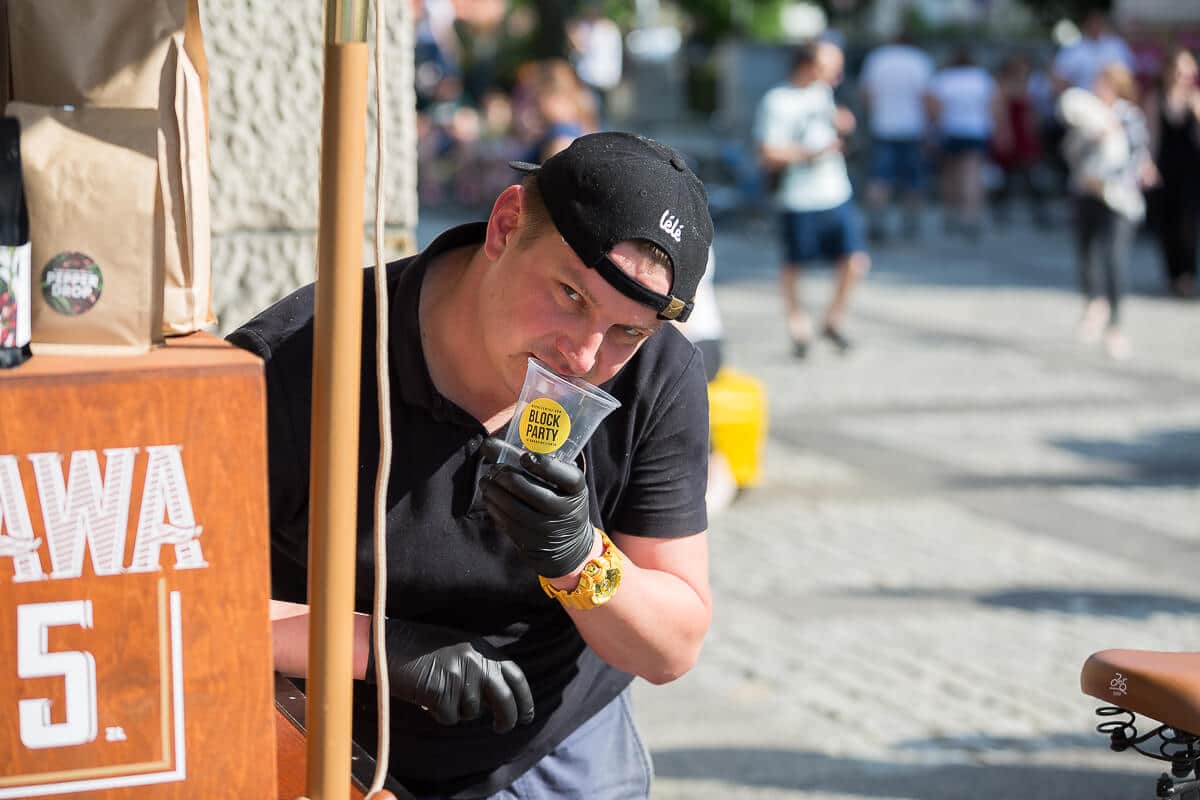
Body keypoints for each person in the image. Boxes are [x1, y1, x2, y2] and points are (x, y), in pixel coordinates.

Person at [228, 132, 714, 798]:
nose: (582, 354)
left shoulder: (657, 379)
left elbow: (672, 647)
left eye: (627, 331)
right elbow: (180, 613)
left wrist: (580, 559)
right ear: (506, 225)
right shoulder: (297, 365)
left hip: (552, 742)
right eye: (571, 295)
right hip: (332, 738)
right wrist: (375, 647)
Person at [755, 40, 870, 357]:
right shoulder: (777, 101)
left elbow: (834, 132)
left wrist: (844, 126)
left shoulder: (825, 94)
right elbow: (767, 153)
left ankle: (834, 318)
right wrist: (810, 154)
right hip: (797, 196)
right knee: (794, 266)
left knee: (855, 260)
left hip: (835, 191)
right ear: (808, 66)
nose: (836, 75)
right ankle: (798, 324)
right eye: (829, 68)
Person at [1060, 64, 1158, 360]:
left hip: (1118, 198)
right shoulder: (1085, 116)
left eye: (1103, 83)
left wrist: (1114, 176)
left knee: (1114, 256)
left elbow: (1138, 154)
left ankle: (1115, 324)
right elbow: (1069, 152)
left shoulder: (1129, 116)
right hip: (1086, 192)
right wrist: (1092, 139)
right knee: (1086, 251)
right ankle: (1093, 305)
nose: (1098, 88)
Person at [858, 28, 934, 242]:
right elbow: (926, 96)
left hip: (883, 126)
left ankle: (876, 221)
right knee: (914, 180)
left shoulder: (877, 58)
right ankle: (910, 223)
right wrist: (931, 126)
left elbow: (866, 94)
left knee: (879, 177)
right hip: (912, 127)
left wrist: (873, 117)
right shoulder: (919, 60)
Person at [1143, 47, 1200, 298]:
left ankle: (1187, 276)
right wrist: (1148, 164)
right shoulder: (1157, 98)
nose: (1181, 76)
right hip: (1166, 168)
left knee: (1188, 225)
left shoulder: (1196, 98)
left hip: (1192, 170)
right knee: (1167, 224)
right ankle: (1172, 274)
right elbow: (1152, 137)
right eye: (1177, 71)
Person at [927, 47, 996, 239]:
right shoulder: (981, 78)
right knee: (972, 175)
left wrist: (933, 131)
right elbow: (993, 106)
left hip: (950, 130)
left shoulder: (944, 78)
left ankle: (950, 214)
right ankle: (970, 217)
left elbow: (934, 108)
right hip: (976, 130)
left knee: (949, 174)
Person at [991, 54, 1048, 228]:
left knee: (1031, 174)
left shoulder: (1030, 86)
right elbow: (1000, 112)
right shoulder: (1005, 86)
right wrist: (1003, 134)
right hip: (1013, 134)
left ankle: (1039, 213)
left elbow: (1032, 114)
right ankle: (1001, 211)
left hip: (1025, 135)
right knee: (1008, 175)